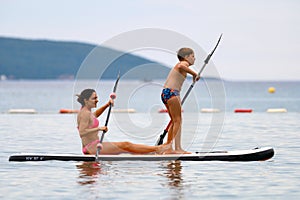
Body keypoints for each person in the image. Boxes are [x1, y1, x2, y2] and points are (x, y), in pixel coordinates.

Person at [76, 88, 169, 155]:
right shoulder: (84, 114)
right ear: (86, 100)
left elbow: (94, 115)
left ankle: (149, 153)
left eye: (96, 98)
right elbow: (82, 132)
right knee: (126, 145)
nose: (97, 100)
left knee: (126, 148)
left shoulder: (87, 112)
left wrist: (107, 105)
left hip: (94, 146)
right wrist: (99, 128)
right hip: (91, 148)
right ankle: (158, 149)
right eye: (94, 98)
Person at [161, 48, 200, 154]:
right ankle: (177, 149)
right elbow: (180, 66)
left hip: (166, 93)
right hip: (172, 92)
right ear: (186, 57)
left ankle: (168, 148)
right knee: (178, 121)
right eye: (192, 56)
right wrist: (194, 74)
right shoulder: (183, 63)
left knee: (174, 121)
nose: (194, 58)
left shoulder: (184, 65)